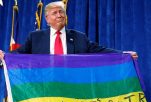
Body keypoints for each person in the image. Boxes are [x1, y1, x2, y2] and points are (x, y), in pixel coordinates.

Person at [0, 1, 138, 61]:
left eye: (62, 12)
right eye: (55, 13)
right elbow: (19, 54)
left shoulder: (79, 37)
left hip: (71, 89)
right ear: (47, 19)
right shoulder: (35, 37)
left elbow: (100, 50)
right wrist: (4, 57)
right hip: (44, 88)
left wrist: (123, 54)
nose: (59, 15)